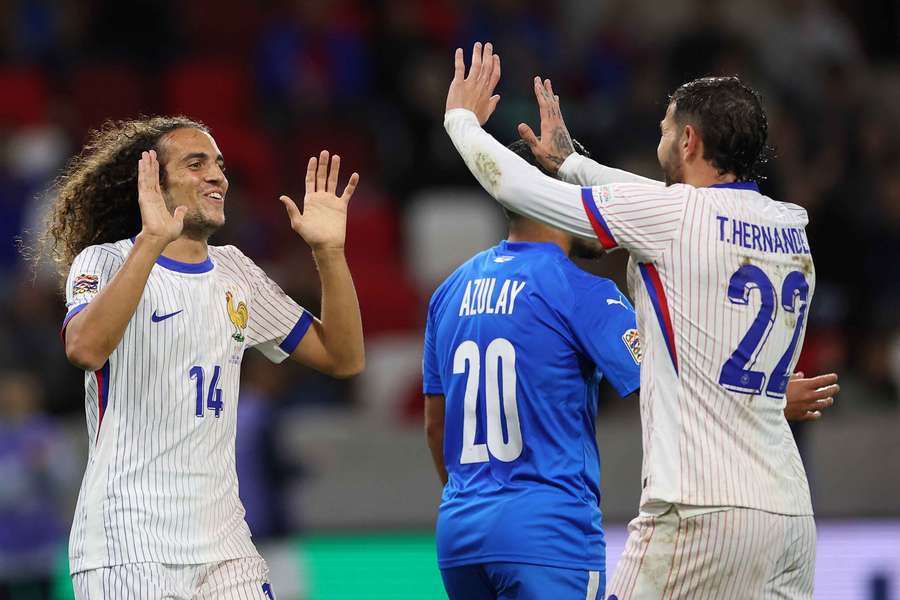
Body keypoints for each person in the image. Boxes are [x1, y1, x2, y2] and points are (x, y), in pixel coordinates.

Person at [443, 42, 839, 599]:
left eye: (663, 129)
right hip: (789, 516)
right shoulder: (789, 224)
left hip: (698, 509)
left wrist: (460, 120)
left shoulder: (671, 217)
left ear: (688, 140)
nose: (658, 141)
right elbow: (670, 207)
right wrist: (574, 163)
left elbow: (516, 188)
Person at [44, 116, 364, 599]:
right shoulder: (104, 261)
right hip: (129, 545)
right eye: (196, 164)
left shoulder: (238, 272)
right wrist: (153, 239)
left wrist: (330, 252)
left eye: (219, 164)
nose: (218, 176)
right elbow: (85, 348)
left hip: (225, 547)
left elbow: (343, 357)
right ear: (151, 180)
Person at [423, 137, 642, 600]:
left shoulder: (448, 291)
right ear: (553, 197)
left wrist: (483, 501)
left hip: (461, 531)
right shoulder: (581, 291)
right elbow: (668, 388)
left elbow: (434, 425)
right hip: (548, 532)